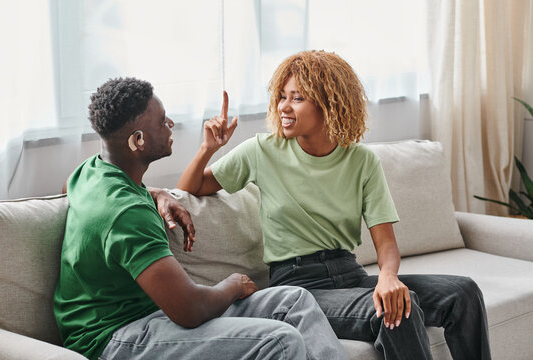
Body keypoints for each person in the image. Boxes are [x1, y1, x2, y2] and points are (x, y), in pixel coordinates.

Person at [172, 50, 492, 360]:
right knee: (397, 312)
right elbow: (188, 191)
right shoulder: (262, 150)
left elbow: (385, 242)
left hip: (348, 272)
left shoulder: (362, 161)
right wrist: (206, 149)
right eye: (282, 96)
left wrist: (389, 277)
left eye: (297, 97)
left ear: (329, 103)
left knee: (463, 293)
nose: (284, 106)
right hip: (298, 285)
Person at [53, 77, 349, 360]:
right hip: (113, 338)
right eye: (162, 120)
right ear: (138, 140)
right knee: (280, 341)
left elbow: (73, 190)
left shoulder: (90, 171)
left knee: (294, 301)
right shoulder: (126, 215)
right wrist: (233, 284)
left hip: (151, 318)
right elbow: (190, 309)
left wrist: (157, 193)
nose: (170, 124)